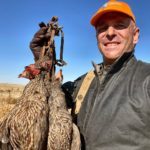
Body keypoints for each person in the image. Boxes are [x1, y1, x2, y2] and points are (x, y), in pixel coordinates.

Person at [30, 0, 150, 149]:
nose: (110, 33)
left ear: (135, 35)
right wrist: (43, 60)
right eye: (103, 28)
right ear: (97, 37)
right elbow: (48, 103)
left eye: (119, 25)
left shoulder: (147, 78)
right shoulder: (81, 83)